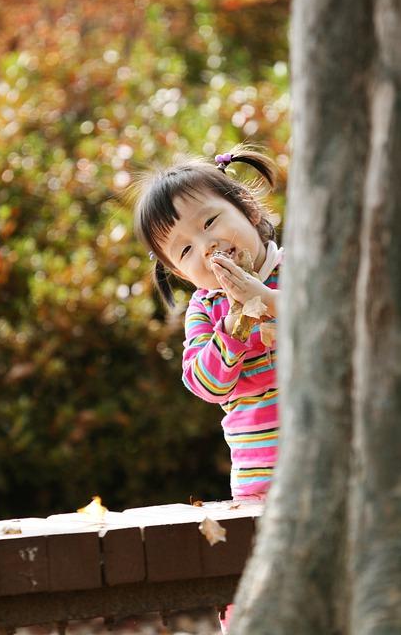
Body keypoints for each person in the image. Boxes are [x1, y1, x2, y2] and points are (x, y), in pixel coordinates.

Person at [134, 145, 283, 633]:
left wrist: (267, 302)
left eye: (210, 223)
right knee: (256, 589)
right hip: (260, 481)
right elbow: (204, 382)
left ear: (249, 209)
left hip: (338, 462)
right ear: (178, 273)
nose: (207, 247)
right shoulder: (206, 309)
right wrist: (235, 329)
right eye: (185, 250)